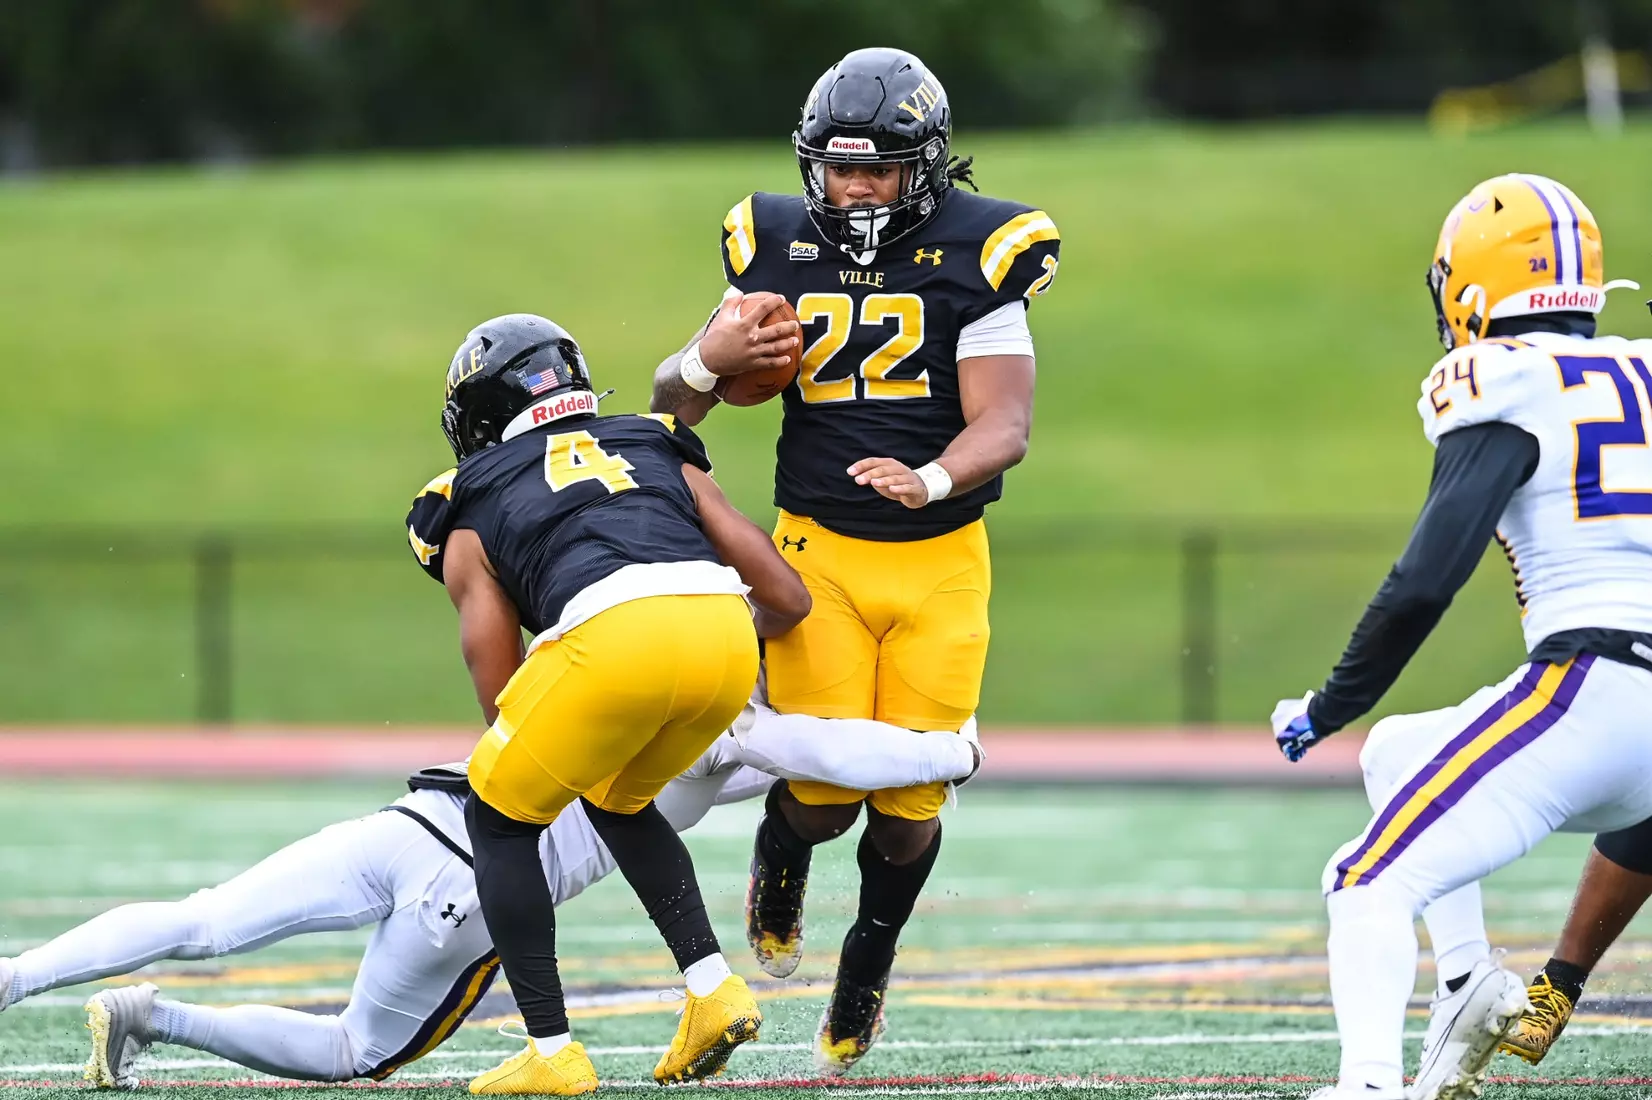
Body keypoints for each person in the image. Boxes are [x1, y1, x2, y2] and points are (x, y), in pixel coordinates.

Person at [648, 46, 1059, 1075]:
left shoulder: (982, 249)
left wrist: (930, 477)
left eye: (878, 168)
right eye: (839, 169)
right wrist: (703, 361)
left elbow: (1004, 424)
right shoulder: (772, 241)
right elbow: (672, 405)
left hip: (941, 557)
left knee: (911, 804)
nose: (857, 188)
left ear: (925, 164)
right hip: (815, 556)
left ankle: (867, 959)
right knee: (825, 794)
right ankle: (783, 849)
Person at [0, 710, 981, 1088]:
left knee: (204, 916)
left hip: (416, 817)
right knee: (354, 1050)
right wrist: (952, 749)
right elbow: (826, 750)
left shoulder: (618, 631)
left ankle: (14, 974)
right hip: (481, 886)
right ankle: (152, 1016)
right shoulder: (725, 706)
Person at [1269, 174, 1652, 1100]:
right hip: (1634, 724)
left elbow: (1425, 580)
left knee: (1363, 881)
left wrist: (1330, 704)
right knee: (1397, 752)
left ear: (1472, 290)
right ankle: (1466, 986)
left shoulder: (1504, 378)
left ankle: (1366, 1087)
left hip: (1596, 688)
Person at [417, 313, 811, 1094]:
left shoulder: (462, 500)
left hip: (609, 640)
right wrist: (702, 634)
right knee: (616, 794)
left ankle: (551, 1051)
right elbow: (787, 596)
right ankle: (712, 990)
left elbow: (498, 689)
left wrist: (548, 732)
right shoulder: (652, 440)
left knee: (496, 816)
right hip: (725, 635)